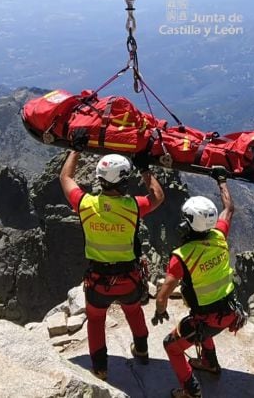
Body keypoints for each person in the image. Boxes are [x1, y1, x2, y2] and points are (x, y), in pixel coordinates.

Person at [60, 150, 165, 379]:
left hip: (98, 281)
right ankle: (142, 350)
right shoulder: (133, 206)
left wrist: (75, 150)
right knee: (134, 311)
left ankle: (100, 369)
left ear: (100, 179)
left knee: (96, 321)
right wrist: (145, 169)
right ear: (125, 181)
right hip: (129, 279)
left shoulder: (85, 204)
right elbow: (157, 196)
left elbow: (65, 179)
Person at [154, 168, 248, 398]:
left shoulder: (182, 256)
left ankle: (191, 391)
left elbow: (163, 294)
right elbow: (229, 209)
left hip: (207, 318)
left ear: (187, 226)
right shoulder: (218, 235)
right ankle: (210, 364)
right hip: (230, 311)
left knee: (171, 346)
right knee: (201, 329)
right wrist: (222, 181)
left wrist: (160, 310)